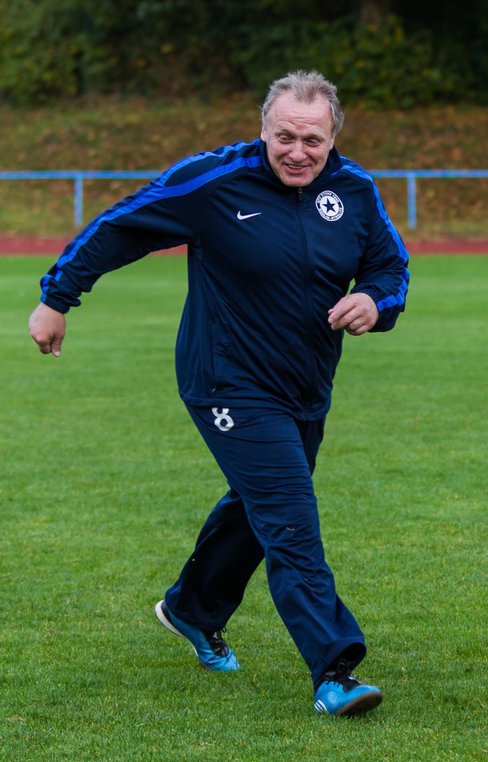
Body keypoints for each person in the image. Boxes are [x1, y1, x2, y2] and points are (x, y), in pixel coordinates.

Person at [27, 70, 409, 717]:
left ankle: (191, 609)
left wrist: (376, 299)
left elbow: (389, 267)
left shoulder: (355, 192)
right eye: (284, 136)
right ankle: (335, 670)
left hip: (305, 385)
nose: (296, 151)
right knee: (290, 515)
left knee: (259, 509)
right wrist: (57, 296)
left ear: (334, 136)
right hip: (225, 382)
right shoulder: (213, 181)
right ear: (263, 128)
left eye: (311, 140)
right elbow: (122, 226)